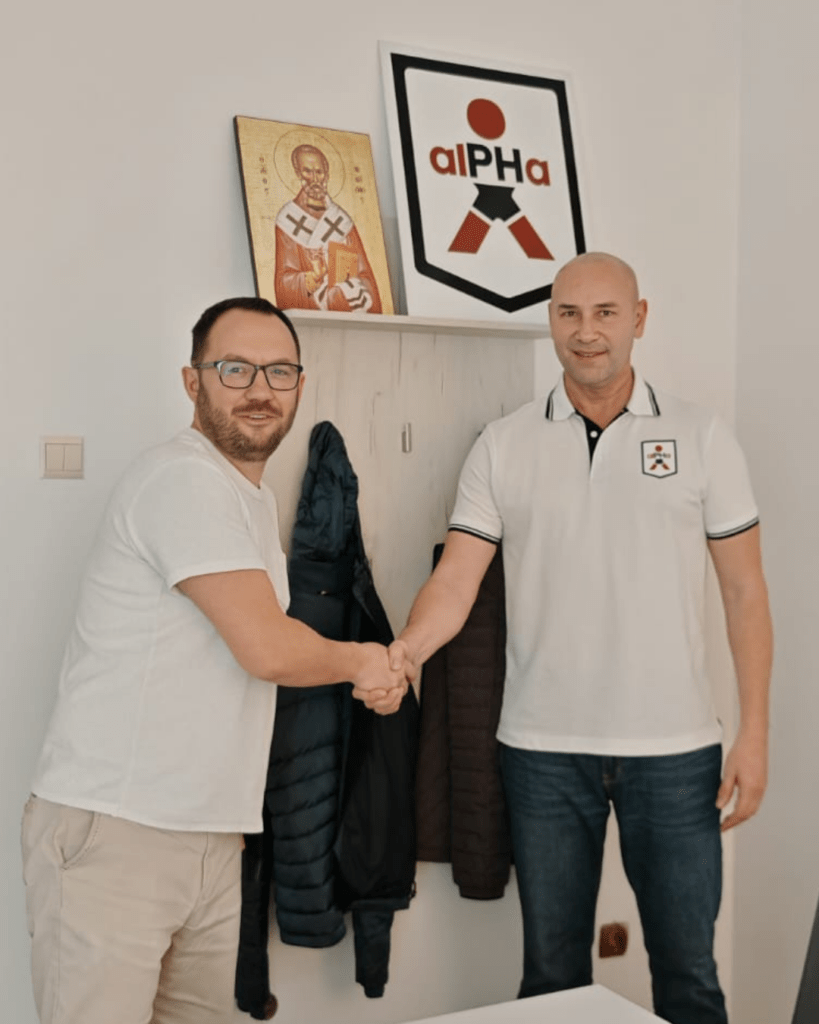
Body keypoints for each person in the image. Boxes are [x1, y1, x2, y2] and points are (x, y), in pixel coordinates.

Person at [378, 253, 773, 1024]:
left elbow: (744, 592)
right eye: (568, 313)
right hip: (542, 753)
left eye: (604, 313)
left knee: (689, 978)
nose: (585, 332)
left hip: (675, 753)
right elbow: (456, 580)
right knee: (551, 980)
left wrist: (753, 734)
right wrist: (406, 654)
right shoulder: (503, 444)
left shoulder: (701, 436)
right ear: (550, 320)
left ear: (638, 319)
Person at [21, 297, 406, 1024]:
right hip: (120, 831)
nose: (259, 389)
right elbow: (265, 646)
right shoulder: (182, 478)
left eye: (279, 371)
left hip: (208, 831)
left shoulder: (246, 497)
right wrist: (365, 661)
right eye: (235, 369)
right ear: (191, 380)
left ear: (299, 385)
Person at [274, 143, 382, 313]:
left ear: (327, 174)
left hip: (341, 305)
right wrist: (313, 277)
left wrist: (343, 286)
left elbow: (361, 275)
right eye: (307, 171)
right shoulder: (289, 219)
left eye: (319, 172)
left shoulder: (340, 221)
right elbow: (284, 283)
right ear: (297, 173)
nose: (315, 179)